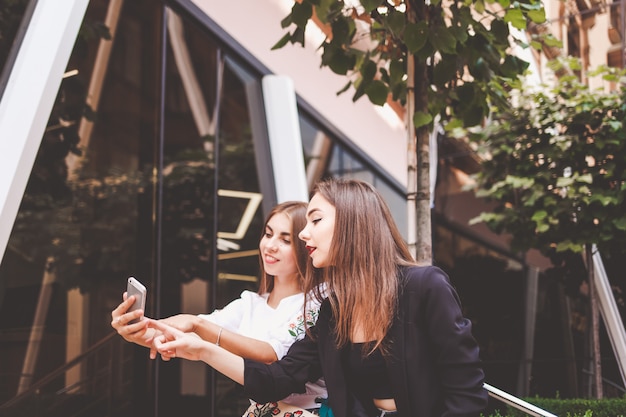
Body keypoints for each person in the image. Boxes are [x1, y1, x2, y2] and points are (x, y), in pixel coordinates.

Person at [148, 178, 488, 417]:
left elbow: (466, 393)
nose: (303, 233)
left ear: (353, 223)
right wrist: (201, 349)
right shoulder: (333, 310)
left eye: (315, 220)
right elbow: (276, 380)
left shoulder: (424, 286)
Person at [111, 201, 327, 416]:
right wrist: (136, 331)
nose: (270, 245)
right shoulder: (250, 304)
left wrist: (196, 323)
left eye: (285, 240)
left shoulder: (316, 302)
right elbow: (186, 335)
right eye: (268, 234)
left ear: (305, 246)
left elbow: (270, 354)